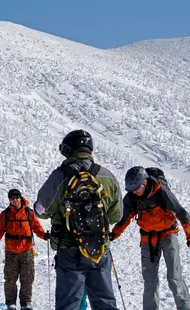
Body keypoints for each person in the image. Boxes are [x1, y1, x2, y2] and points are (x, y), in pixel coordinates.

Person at [34, 129, 123, 310]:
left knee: (69, 304)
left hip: (69, 250)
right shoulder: (107, 176)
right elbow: (117, 215)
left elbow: (41, 211)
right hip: (99, 249)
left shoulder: (59, 176)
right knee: (105, 302)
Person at [111, 166, 190, 310]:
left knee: (174, 277)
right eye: (132, 190)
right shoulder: (132, 197)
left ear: (145, 183)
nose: (135, 192)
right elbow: (124, 220)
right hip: (147, 239)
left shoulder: (162, 193)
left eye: (137, 189)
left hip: (168, 235)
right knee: (150, 281)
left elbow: (182, 213)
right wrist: (112, 235)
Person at [0, 188, 49, 310]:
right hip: (11, 251)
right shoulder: (5, 214)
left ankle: (26, 302)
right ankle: (10, 302)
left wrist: (44, 235)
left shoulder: (29, 213)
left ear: (20, 198)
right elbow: (0, 230)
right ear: (9, 200)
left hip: (27, 250)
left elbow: (37, 228)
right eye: (12, 198)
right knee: (10, 278)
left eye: (16, 198)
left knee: (27, 278)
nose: (15, 200)